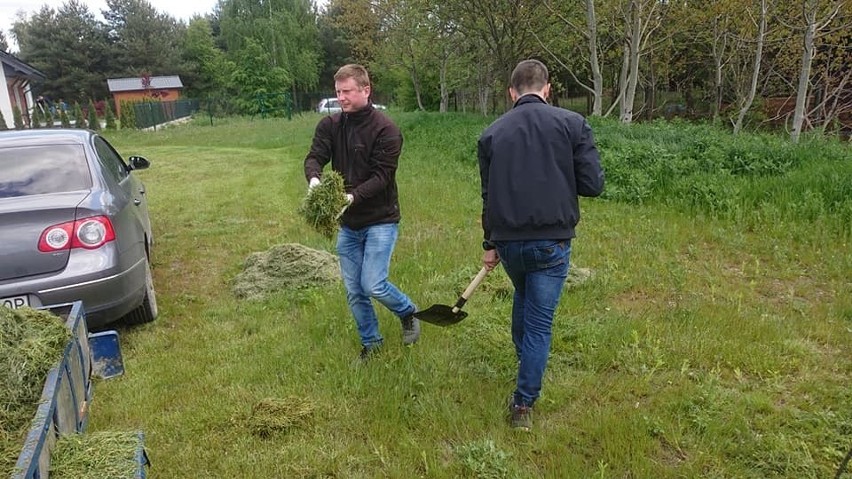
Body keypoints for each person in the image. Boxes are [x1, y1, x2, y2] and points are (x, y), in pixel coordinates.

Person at [477, 59, 604, 431]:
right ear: (547, 89)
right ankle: (523, 404)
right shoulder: (572, 124)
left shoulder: (491, 134)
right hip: (552, 243)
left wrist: (490, 243)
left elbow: (488, 197)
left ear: (511, 92)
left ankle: (525, 359)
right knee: (539, 323)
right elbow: (594, 184)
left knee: (524, 295)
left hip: (510, 244)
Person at [304, 64, 420, 361]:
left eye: (347, 91)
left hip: (380, 219)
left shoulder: (386, 129)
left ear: (365, 90)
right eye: (338, 92)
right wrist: (315, 180)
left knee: (373, 284)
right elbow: (315, 156)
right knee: (355, 290)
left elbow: (383, 177)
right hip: (349, 224)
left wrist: (351, 196)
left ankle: (407, 311)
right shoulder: (330, 126)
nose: (340, 97)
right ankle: (372, 343)